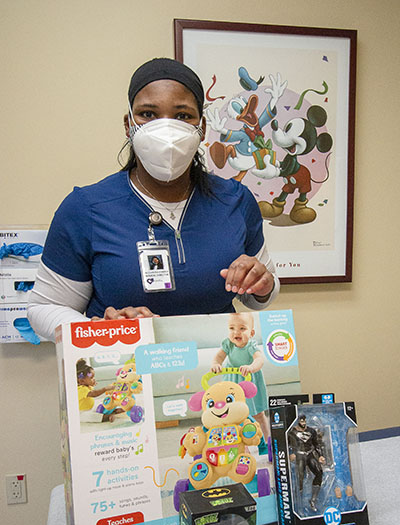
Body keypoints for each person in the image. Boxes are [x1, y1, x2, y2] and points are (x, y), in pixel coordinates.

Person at [27, 58, 280, 342]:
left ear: (203, 128)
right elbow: (44, 308)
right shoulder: (86, 208)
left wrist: (263, 285)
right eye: (148, 114)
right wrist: (100, 330)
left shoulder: (235, 200)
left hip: (218, 370)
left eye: (183, 116)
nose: (167, 130)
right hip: (127, 375)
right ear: (129, 125)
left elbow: (261, 294)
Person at [211, 312, 270, 455]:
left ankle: (267, 442)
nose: (236, 332)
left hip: (249, 381)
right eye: (232, 328)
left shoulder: (251, 345)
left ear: (251, 332)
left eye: (242, 328)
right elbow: (219, 356)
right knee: (234, 416)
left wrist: (251, 367)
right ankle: (243, 448)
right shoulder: (228, 344)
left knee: (258, 414)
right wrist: (216, 364)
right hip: (232, 381)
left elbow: (259, 359)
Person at [288, 414, 326, 511]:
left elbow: (316, 444)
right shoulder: (292, 432)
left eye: (304, 420)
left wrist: (321, 455)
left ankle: (313, 499)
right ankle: (297, 500)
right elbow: (287, 444)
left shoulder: (311, 431)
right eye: (301, 421)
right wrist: (291, 453)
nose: (303, 422)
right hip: (299, 455)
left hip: (309, 454)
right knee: (300, 477)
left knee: (319, 472)